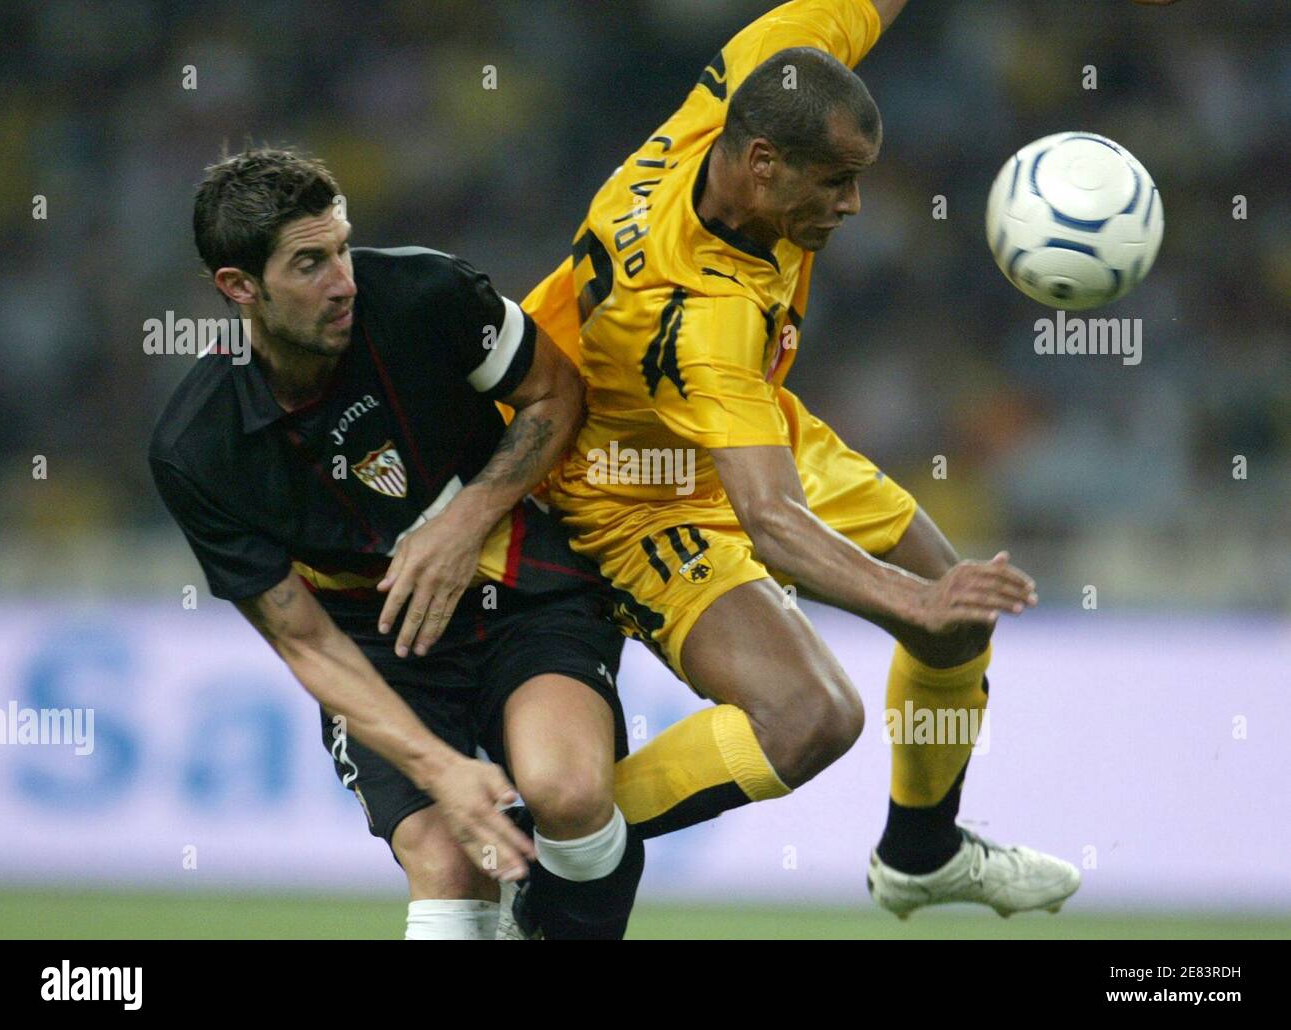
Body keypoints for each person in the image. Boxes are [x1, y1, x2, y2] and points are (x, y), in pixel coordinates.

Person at [518, 0, 1178, 918]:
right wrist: (911, 599)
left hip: (753, 427)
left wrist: (931, 605)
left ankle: (923, 852)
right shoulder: (697, 314)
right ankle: (527, 841)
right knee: (811, 718)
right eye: (835, 182)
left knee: (954, 627)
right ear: (761, 166)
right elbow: (772, 524)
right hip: (638, 487)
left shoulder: (758, 81)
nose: (853, 205)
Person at [149, 147, 642, 939]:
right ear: (239, 288)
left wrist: (464, 518)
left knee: (569, 795)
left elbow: (557, 392)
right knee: (449, 862)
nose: (343, 279)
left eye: (342, 246)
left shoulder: (426, 292)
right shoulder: (197, 446)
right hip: (370, 640)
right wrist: (436, 766)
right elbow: (303, 642)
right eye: (309, 263)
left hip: (520, 590)